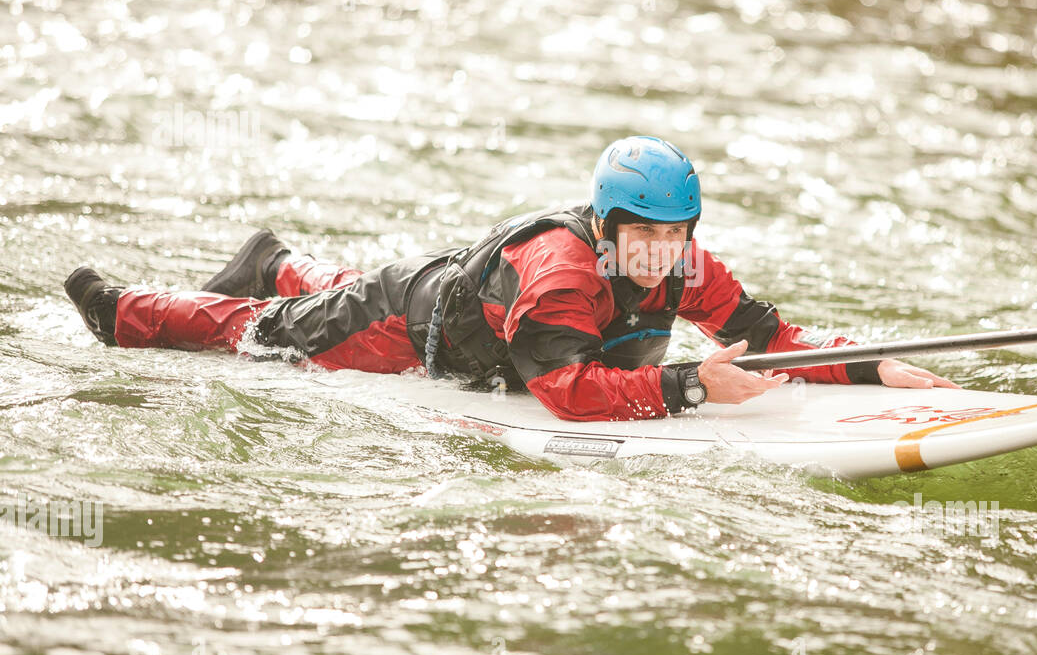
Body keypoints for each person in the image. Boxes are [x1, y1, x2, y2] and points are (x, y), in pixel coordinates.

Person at [64, 136, 957, 421]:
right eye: (645, 235)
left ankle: (279, 259)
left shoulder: (683, 264)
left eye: (679, 234)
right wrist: (690, 386)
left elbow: (770, 341)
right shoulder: (563, 272)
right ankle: (121, 310)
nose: (664, 252)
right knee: (253, 334)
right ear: (608, 226)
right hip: (401, 323)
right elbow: (563, 387)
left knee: (316, 290)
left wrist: (875, 365)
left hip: (461, 299)